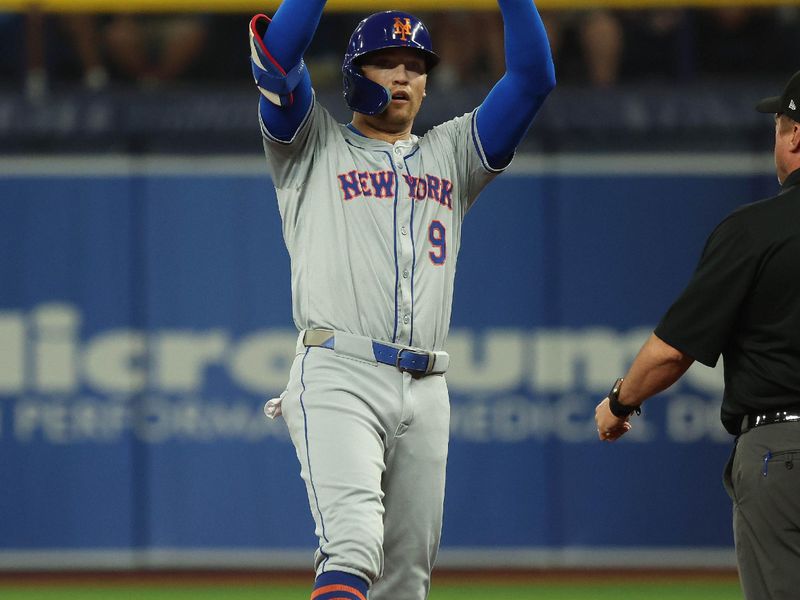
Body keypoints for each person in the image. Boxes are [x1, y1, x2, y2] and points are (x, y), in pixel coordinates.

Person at [249, 1, 554, 598]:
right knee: (354, 546)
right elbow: (279, 58)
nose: (402, 77)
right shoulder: (310, 145)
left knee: (405, 582)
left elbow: (532, 79)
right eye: (384, 63)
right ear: (353, 75)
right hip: (341, 370)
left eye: (414, 66)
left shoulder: (453, 152)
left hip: (427, 388)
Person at [594, 70, 800, 600]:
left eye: (779, 124)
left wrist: (620, 402)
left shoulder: (758, 229)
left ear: (796, 135)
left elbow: (673, 351)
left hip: (785, 450)